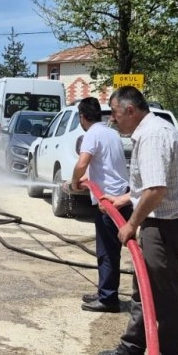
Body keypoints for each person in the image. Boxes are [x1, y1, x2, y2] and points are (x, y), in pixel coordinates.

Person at [95, 86, 178, 355]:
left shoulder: (152, 136)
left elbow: (156, 190)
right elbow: (149, 186)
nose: (113, 121)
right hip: (161, 219)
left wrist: (131, 224)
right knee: (144, 289)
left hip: (165, 224)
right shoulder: (152, 131)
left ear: (130, 110)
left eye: (114, 113)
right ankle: (133, 347)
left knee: (164, 295)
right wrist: (126, 199)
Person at [69, 96, 132, 313]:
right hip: (120, 195)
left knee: (107, 251)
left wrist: (74, 182)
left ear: (82, 117)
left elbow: (82, 163)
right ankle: (105, 291)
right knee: (109, 250)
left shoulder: (91, 134)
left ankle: (108, 299)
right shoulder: (110, 132)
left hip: (110, 201)